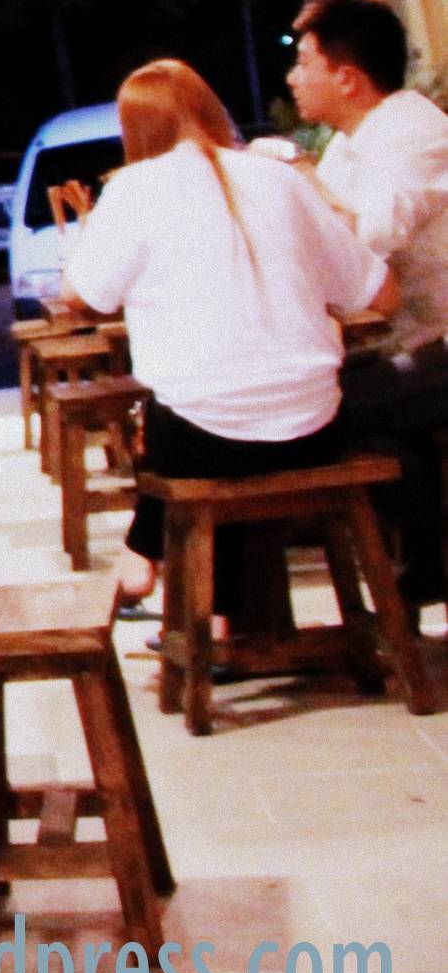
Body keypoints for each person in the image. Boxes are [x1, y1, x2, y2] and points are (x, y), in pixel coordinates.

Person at [62, 62, 395, 611]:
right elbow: (383, 295)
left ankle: (147, 559)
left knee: (178, 418)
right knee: (219, 404)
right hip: (315, 430)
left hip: (200, 442)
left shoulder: (133, 189)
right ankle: (212, 613)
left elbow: (81, 296)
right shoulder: (282, 178)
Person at [282, 0, 448, 606]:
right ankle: (427, 563)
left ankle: (426, 565)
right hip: (411, 343)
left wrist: (298, 182)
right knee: (316, 401)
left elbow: (365, 237)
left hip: (439, 344)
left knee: (310, 410)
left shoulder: (411, 133)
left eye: (304, 63)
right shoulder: (353, 141)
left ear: (348, 78)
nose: (292, 78)